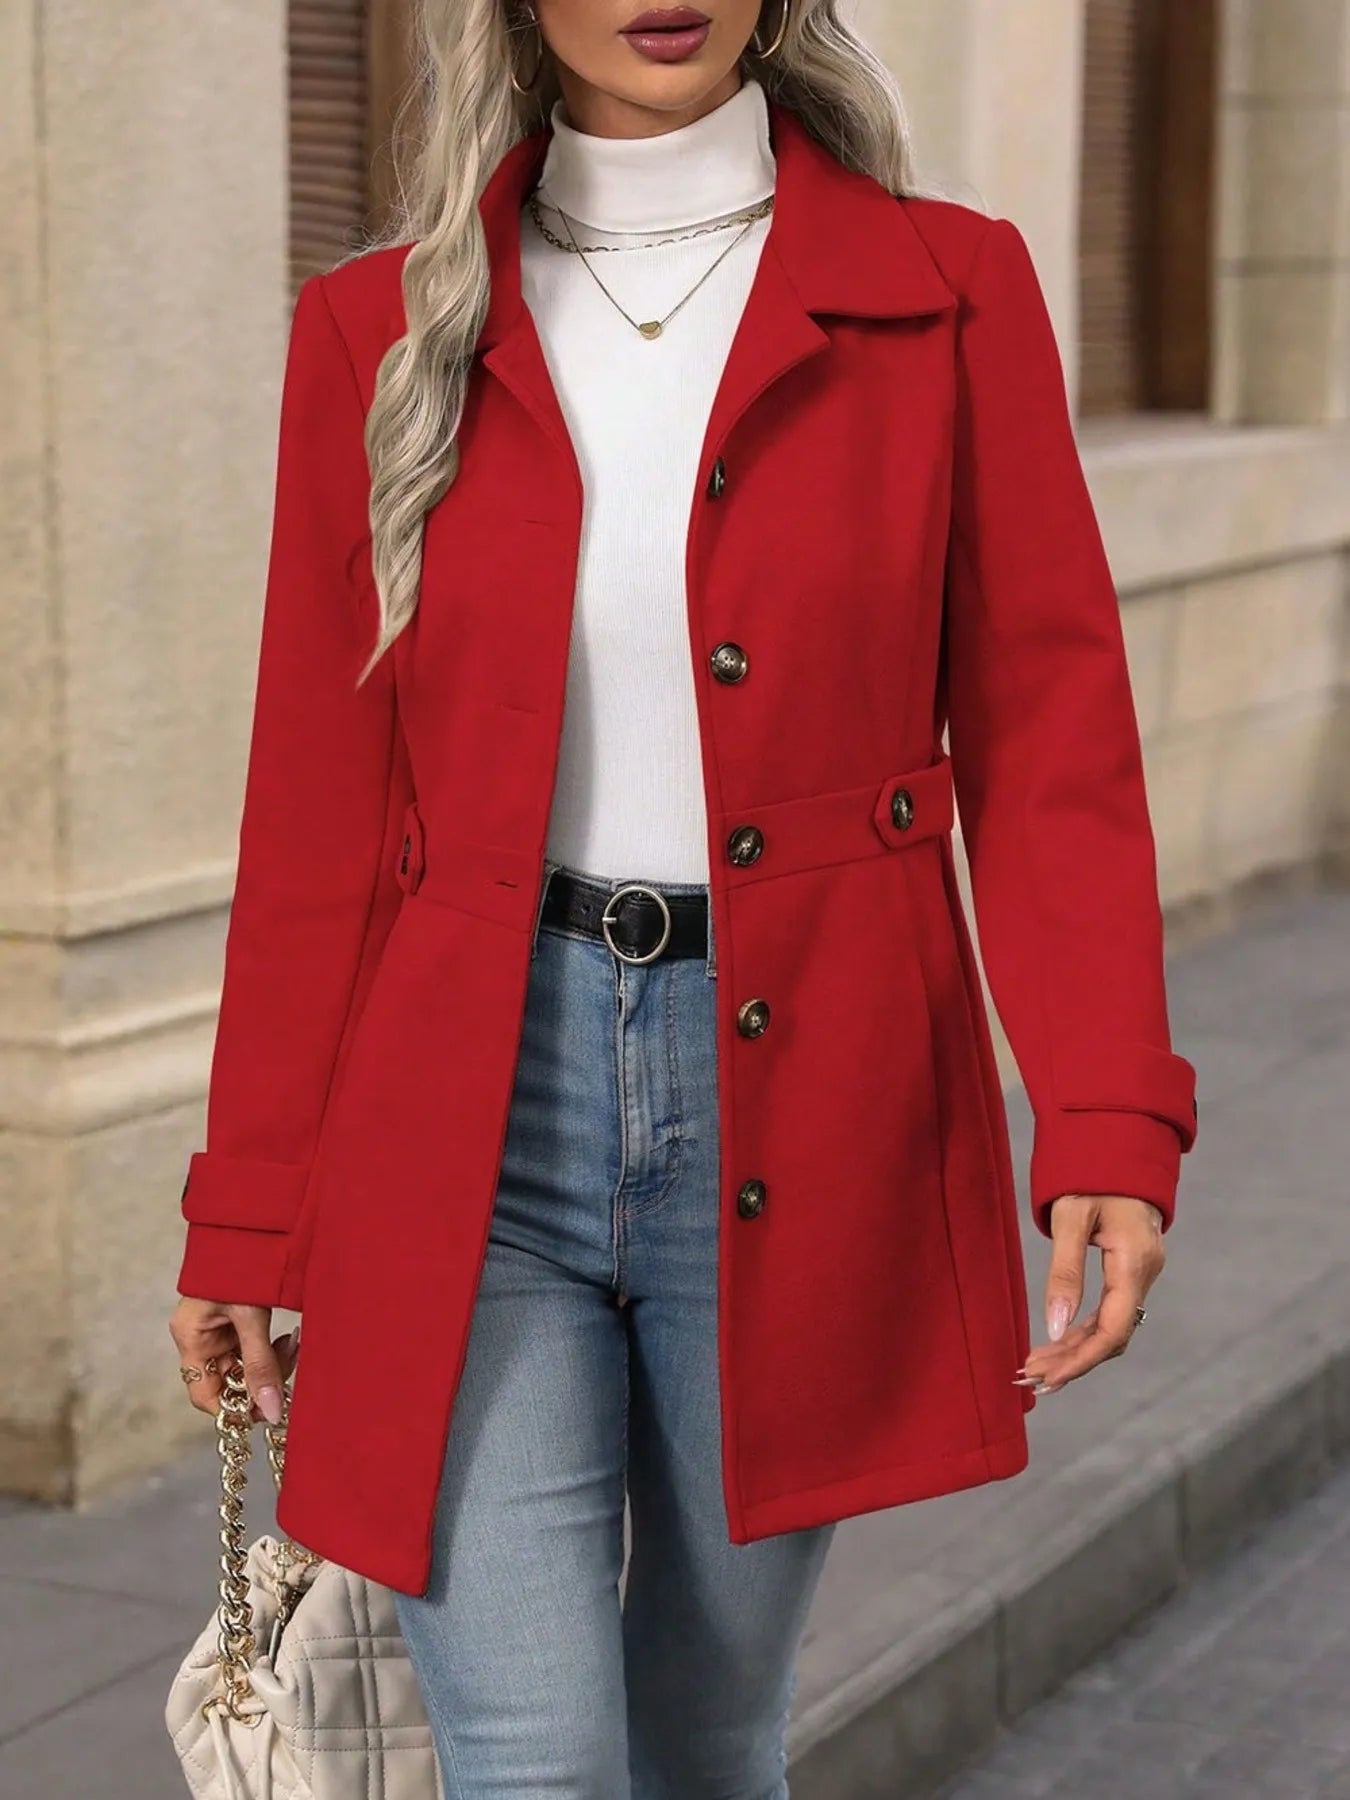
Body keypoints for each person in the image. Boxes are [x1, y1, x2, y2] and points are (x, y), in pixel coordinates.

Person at [168, 1, 1199, 1792]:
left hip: (809, 1093)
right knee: (537, 1760)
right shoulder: (381, 326)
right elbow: (318, 812)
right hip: (471, 1118)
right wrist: (248, 1204)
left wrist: (1106, 1112)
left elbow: (1048, 739)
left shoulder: (948, 294)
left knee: (709, 1741)